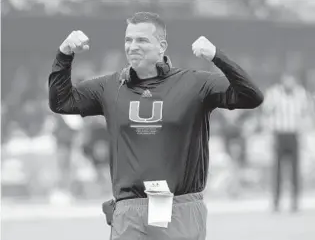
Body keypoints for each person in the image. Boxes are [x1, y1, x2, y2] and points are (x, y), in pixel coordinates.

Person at [48, 12, 263, 240]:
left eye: (142, 40)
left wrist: (217, 56)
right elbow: (61, 102)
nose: (132, 46)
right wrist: (64, 54)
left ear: (162, 46)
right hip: (129, 210)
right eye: (128, 40)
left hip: (180, 208)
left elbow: (251, 96)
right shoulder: (110, 88)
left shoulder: (194, 84)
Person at [262, 72, 312, 212]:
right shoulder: (274, 93)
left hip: (294, 134)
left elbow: (306, 113)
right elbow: (266, 113)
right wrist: (269, 134)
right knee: (277, 170)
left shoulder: (301, 94)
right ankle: (276, 201)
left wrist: (304, 134)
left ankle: (295, 201)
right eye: (286, 80)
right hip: (279, 134)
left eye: (291, 80)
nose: (289, 82)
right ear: (282, 80)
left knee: (295, 170)